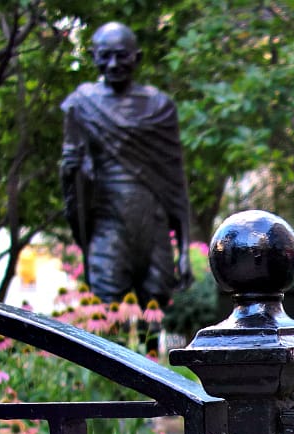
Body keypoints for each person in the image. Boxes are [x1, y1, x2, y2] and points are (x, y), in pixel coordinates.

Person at [60, 23, 193, 306]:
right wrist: (72, 171)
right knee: (107, 310)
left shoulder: (159, 107)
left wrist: (183, 251)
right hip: (107, 220)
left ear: (137, 57)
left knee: (156, 307)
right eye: (104, 55)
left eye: (122, 55)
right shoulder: (81, 105)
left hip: (152, 220)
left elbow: (174, 180)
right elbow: (73, 173)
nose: (113, 64)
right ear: (93, 56)